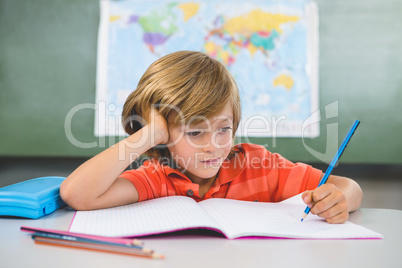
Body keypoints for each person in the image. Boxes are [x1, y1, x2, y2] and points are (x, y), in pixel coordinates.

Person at [60, 50, 363, 224]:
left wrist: (340, 199)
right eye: (195, 132)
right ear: (163, 134)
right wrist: (148, 133)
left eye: (224, 129)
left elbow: (348, 187)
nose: (215, 145)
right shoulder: (157, 178)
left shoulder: (258, 165)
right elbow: (77, 194)